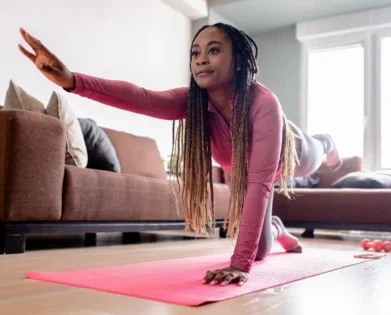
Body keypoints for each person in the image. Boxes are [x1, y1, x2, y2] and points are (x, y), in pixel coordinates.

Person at [17, 23, 341, 287]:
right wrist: (72, 81)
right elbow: (141, 98)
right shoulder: (193, 102)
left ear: (239, 60)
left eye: (214, 50)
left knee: (314, 153)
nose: (201, 59)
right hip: (248, 171)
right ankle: (278, 228)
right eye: (195, 52)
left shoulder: (263, 103)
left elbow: (260, 184)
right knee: (259, 252)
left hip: (292, 152)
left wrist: (237, 265)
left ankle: (327, 141)